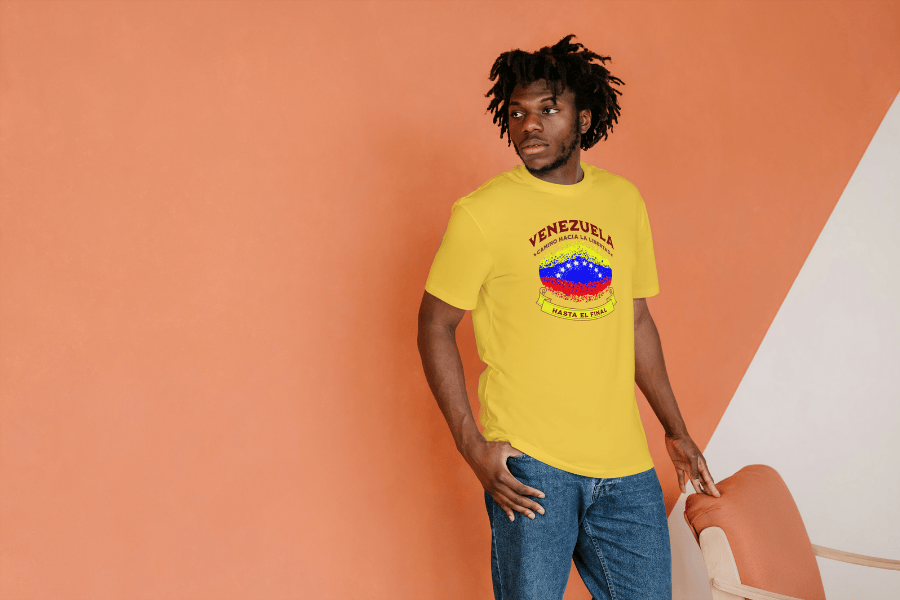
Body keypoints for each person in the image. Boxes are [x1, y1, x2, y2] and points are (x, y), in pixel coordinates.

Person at [416, 34, 720, 600]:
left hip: (626, 468)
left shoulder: (623, 201)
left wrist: (675, 431)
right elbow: (434, 324)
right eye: (517, 113)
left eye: (548, 110)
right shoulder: (481, 214)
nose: (528, 125)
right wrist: (471, 445)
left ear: (583, 119)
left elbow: (636, 321)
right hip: (532, 467)